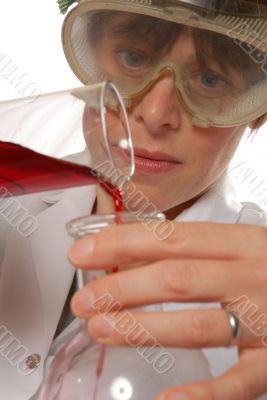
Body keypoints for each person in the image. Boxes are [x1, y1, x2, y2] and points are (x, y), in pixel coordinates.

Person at [1, 0, 267, 399]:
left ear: (257, 109)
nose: (157, 113)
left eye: (211, 80)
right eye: (132, 57)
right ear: (89, 60)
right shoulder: (13, 201)